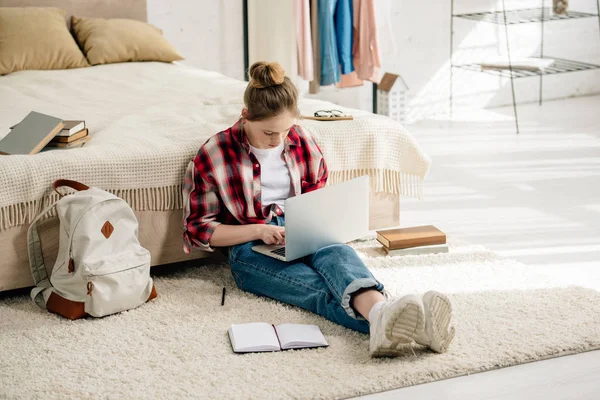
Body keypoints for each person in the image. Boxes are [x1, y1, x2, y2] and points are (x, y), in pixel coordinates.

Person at [182, 61, 455, 356]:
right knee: (313, 287)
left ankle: (386, 320)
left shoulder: (300, 139)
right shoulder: (215, 152)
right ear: (246, 115)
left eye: (285, 130)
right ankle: (406, 323)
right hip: (249, 245)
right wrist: (261, 229)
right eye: (269, 133)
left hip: (302, 226)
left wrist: (312, 224)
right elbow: (199, 230)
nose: (279, 140)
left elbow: (316, 196)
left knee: (338, 254)